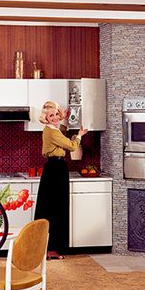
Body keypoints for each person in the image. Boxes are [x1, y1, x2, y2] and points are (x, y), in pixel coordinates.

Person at [34, 101, 87, 259]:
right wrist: (79, 135)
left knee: (48, 207)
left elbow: (59, 134)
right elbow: (71, 146)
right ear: (46, 118)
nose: (55, 117)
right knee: (56, 209)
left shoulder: (49, 130)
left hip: (53, 169)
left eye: (57, 114)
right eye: (52, 115)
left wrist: (63, 119)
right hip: (56, 169)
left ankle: (47, 247)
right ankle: (52, 249)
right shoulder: (52, 132)